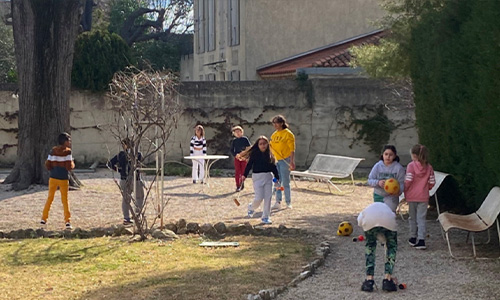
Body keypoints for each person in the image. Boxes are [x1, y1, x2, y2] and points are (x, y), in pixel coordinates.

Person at [358, 202, 398, 292]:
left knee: (370, 247)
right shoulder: (387, 209)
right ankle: (388, 279)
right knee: (391, 247)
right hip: (388, 220)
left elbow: (360, 222)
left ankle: (369, 280)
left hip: (369, 221)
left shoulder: (365, 211)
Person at [240, 136, 280, 225]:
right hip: (257, 177)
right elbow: (249, 165)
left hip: (268, 177)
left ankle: (266, 217)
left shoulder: (270, 155)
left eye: (264, 144)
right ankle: (251, 207)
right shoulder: (255, 154)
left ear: (267, 145)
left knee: (268, 198)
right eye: (261, 144)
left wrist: (277, 178)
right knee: (259, 198)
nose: (263, 146)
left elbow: (274, 167)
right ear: (258, 145)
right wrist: (244, 175)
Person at [41, 132, 75, 229]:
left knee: (50, 198)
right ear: (65, 142)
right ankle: (67, 221)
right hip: (63, 178)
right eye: (69, 140)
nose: (70, 142)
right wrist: (73, 163)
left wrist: (53, 168)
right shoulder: (68, 152)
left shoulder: (53, 151)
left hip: (53, 177)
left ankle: (44, 218)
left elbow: (48, 164)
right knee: (65, 200)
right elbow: (69, 166)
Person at [404, 144, 435, 250]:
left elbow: (408, 180)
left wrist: (405, 189)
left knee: (412, 217)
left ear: (414, 155)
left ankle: (413, 237)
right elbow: (432, 182)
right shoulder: (429, 167)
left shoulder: (411, 166)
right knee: (421, 218)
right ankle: (421, 240)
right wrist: (426, 188)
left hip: (412, 196)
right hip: (424, 196)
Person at [107, 138, 145, 226]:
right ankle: (137, 215)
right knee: (139, 197)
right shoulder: (137, 154)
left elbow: (110, 164)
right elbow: (140, 164)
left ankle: (126, 217)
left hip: (124, 178)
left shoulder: (120, 155)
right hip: (136, 179)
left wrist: (119, 170)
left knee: (126, 199)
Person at [367, 145, 405, 212]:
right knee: (379, 215)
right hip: (379, 195)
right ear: (382, 155)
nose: (388, 157)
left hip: (392, 197)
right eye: (386, 154)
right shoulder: (377, 166)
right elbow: (370, 180)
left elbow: (402, 183)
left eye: (391, 155)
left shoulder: (399, 168)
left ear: (395, 156)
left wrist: (398, 191)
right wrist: (378, 182)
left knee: (389, 214)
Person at [269, 115, 295, 210]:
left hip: (285, 160)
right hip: (277, 161)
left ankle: (288, 202)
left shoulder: (288, 134)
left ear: (282, 123)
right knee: (277, 181)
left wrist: (292, 161)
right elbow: (271, 148)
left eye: (277, 122)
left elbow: (292, 149)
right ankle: (278, 201)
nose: (275, 125)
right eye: (274, 123)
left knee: (285, 182)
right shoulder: (274, 135)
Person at [230, 126, 251, 192]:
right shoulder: (234, 141)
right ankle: (238, 185)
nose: (238, 133)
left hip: (244, 157)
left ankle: (242, 183)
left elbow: (249, 148)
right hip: (237, 157)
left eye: (239, 132)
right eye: (236, 132)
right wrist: (235, 155)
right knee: (237, 172)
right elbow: (231, 150)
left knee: (243, 171)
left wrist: (245, 155)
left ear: (242, 132)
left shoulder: (245, 139)